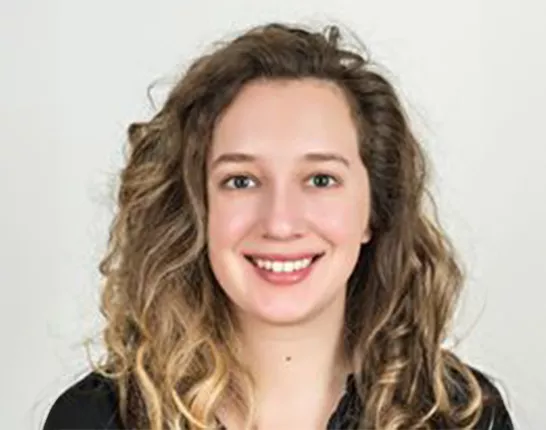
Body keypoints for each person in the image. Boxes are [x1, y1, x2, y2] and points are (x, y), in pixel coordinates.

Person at [43, 22, 514, 430]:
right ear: (197, 208)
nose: (280, 222)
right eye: (241, 180)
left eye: (321, 179)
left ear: (374, 211)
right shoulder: (97, 419)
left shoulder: (461, 415)